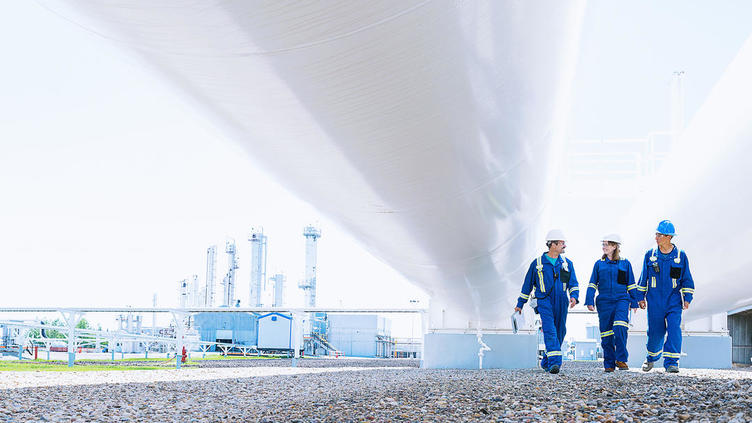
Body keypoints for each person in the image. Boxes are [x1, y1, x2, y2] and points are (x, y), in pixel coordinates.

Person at [515, 229, 579, 374]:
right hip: (544, 301)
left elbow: (573, 283)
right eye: (562, 243)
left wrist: (574, 296)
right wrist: (520, 304)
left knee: (560, 331)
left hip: (562, 301)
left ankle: (546, 361)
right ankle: (555, 363)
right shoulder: (537, 264)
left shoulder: (566, 264)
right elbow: (527, 286)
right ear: (552, 244)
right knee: (549, 329)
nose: (564, 246)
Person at [636, 220, 695, 373]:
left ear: (669, 237)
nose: (656, 237)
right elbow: (643, 278)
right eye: (656, 234)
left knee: (674, 328)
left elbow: (687, 279)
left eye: (659, 235)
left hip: (673, 300)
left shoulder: (681, 256)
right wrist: (640, 297)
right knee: (656, 332)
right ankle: (651, 357)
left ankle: (672, 362)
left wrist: (687, 298)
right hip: (655, 301)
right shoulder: (650, 255)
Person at [584, 234, 639, 372]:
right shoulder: (599, 264)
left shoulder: (625, 263)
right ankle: (609, 362)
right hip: (604, 301)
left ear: (615, 246)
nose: (604, 247)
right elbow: (592, 284)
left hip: (621, 299)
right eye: (603, 244)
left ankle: (620, 358)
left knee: (620, 327)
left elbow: (631, 284)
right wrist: (589, 300)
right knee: (606, 334)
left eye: (607, 244)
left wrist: (635, 302)